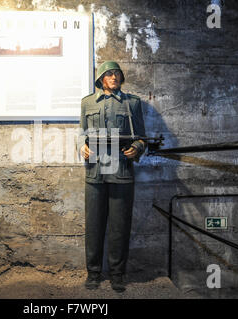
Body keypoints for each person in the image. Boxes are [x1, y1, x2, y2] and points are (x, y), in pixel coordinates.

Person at [77, 61, 147, 292]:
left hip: (121, 170)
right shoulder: (87, 103)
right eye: (109, 74)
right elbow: (82, 133)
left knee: (119, 226)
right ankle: (93, 272)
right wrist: (82, 146)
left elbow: (141, 137)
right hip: (95, 171)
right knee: (94, 225)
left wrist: (137, 147)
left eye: (117, 73)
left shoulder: (132, 103)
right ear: (100, 78)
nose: (114, 76)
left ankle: (118, 274)